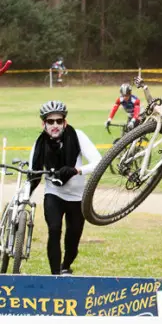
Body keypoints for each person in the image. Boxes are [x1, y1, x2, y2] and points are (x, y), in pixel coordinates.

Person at [29, 101, 101, 275]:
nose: (55, 125)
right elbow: (32, 174)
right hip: (53, 193)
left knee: (72, 240)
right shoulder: (39, 144)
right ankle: (55, 276)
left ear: (65, 122)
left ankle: (65, 266)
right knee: (54, 230)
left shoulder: (77, 136)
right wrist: (26, 195)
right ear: (43, 124)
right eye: (50, 121)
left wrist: (76, 170)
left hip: (77, 198)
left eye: (58, 121)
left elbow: (99, 162)